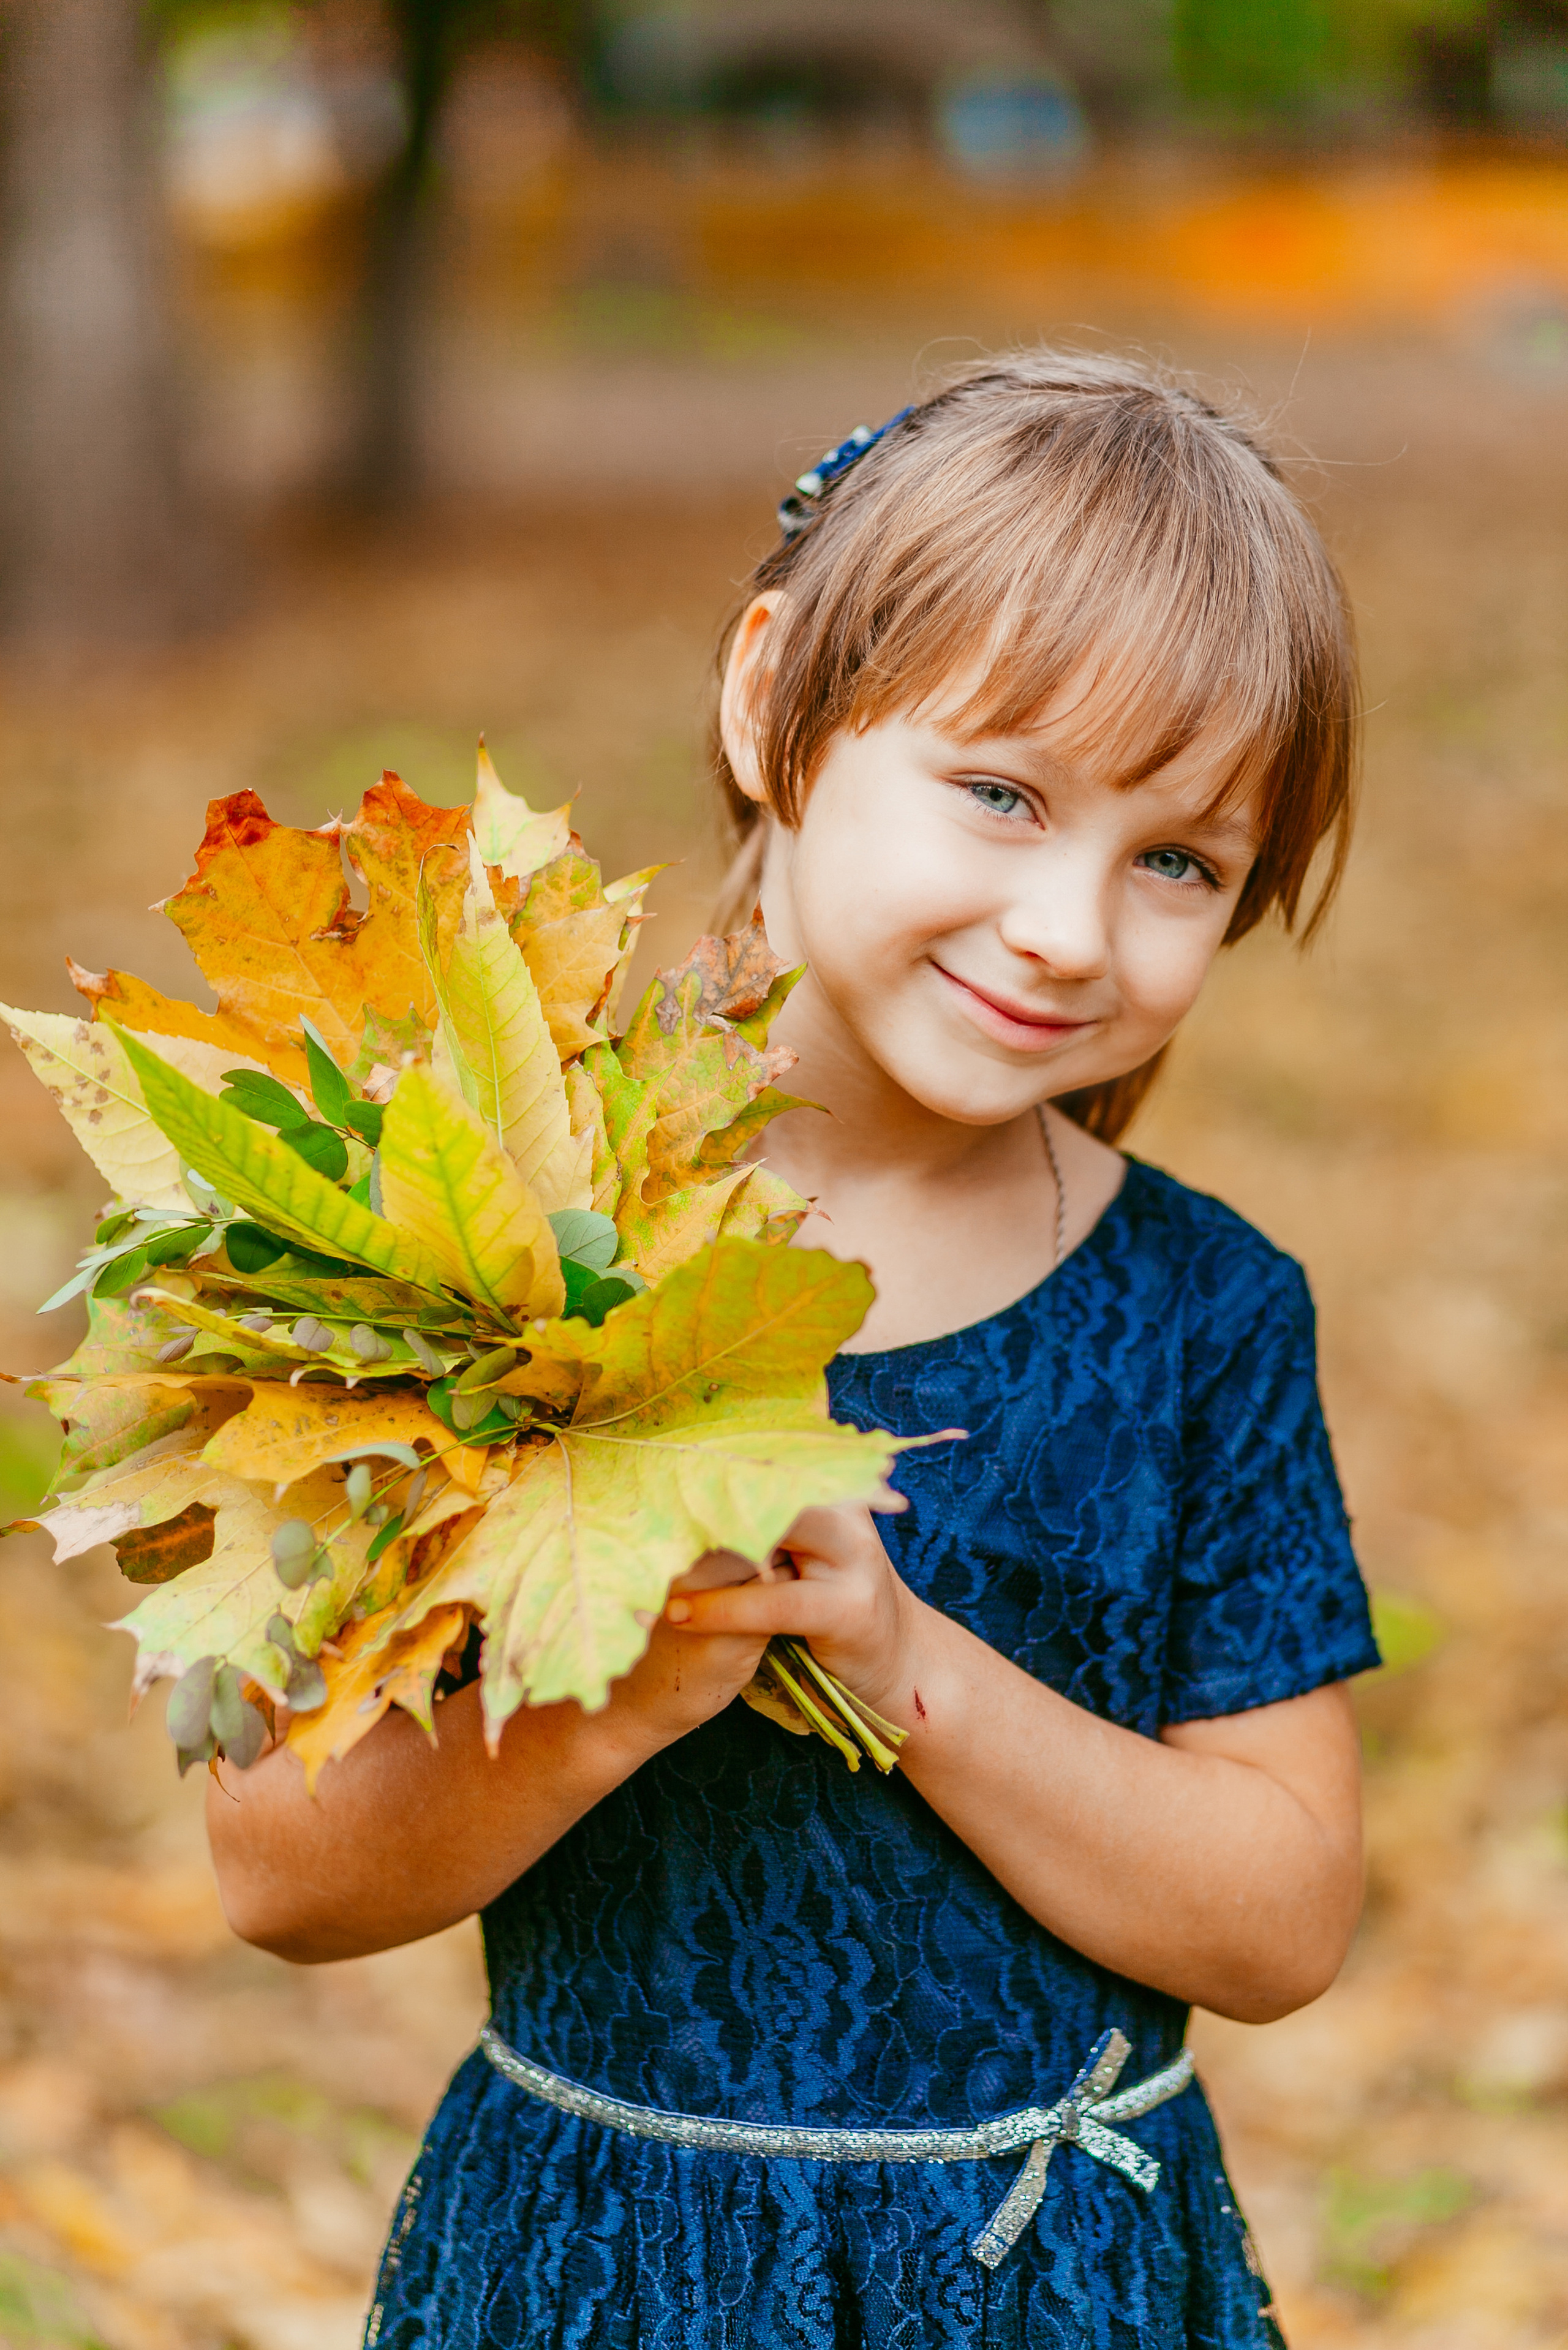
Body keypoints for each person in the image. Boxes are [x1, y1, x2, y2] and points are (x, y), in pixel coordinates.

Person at [208, 352, 1380, 2349]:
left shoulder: (1202, 1311)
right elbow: (278, 1872)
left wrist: (902, 1663)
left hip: (1052, 2284)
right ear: (774, 704)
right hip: (606, 2273)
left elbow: (1281, 1919)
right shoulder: (495, 1245)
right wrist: (614, 1696)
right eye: (1002, 795)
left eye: (1178, 861)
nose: (1070, 927)